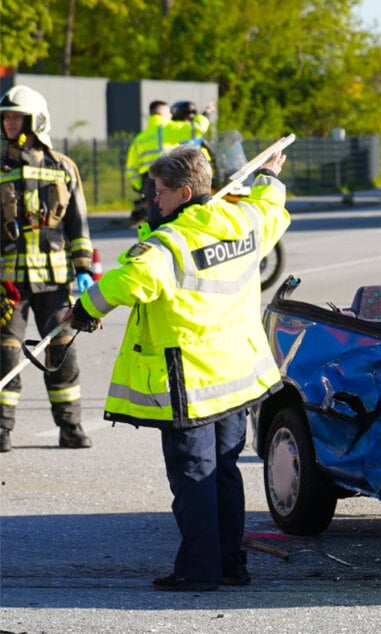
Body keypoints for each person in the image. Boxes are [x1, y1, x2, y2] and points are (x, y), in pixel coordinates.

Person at [69, 144, 290, 591]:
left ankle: (197, 570)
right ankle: (230, 564)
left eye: (161, 192)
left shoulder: (168, 244)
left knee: (193, 478)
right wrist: (268, 175)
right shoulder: (244, 220)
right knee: (223, 473)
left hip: (191, 381)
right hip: (235, 376)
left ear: (185, 191)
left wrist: (85, 308)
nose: (155, 200)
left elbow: (130, 279)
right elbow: (271, 206)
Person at [0, 85, 94, 453]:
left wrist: (84, 269)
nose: (8, 123)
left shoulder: (63, 168)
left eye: (15, 117)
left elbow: (79, 225)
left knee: (62, 352)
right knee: (5, 353)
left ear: (35, 121)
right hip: (8, 283)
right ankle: (2, 429)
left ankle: (70, 426)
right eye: (5, 117)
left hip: (55, 281)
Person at [125, 100, 174, 227]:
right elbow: (196, 129)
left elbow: (131, 167)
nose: (171, 116)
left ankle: (152, 242)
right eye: (169, 112)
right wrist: (205, 115)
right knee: (170, 215)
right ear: (162, 113)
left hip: (148, 181)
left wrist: (140, 187)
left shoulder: (140, 138)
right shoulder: (168, 130)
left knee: (154, 214)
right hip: (169, 176)